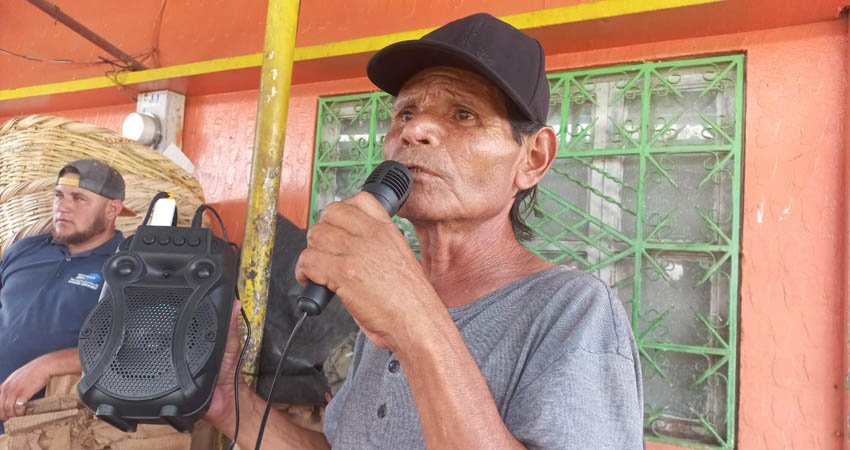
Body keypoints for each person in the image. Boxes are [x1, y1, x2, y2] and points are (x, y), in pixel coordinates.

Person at [206, 12, 644, 449]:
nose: (414, 130)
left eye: (464, 114)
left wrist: (412, 318)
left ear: (532, 158)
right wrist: (228, 403)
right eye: (406, 112)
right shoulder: (386, 301)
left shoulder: (574, 311)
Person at [0, 159, 134, 433]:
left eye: (78, 198)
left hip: (52, 426)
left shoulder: (128, 268)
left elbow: (136, 349)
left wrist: (47, 365)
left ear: (112, 209)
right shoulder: (24, 250)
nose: (63, 205)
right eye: (59, 195)